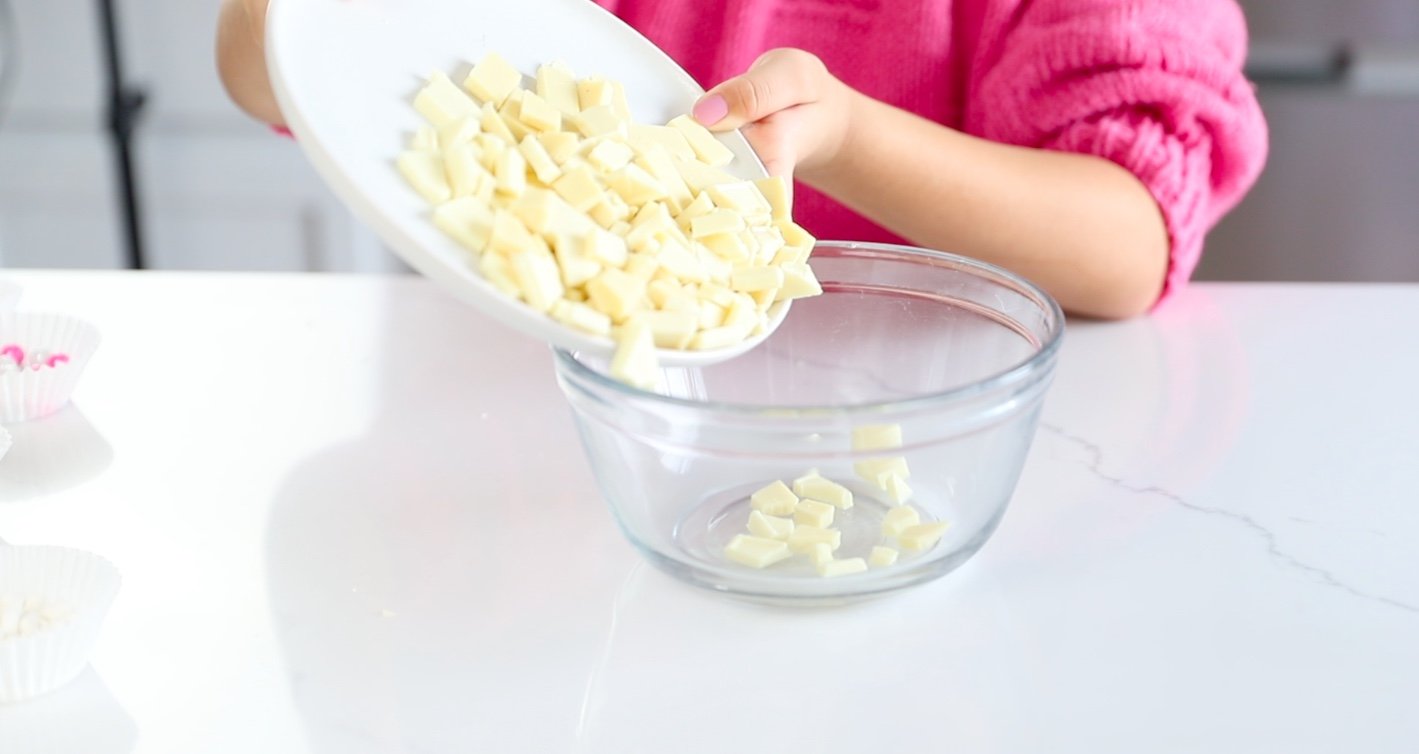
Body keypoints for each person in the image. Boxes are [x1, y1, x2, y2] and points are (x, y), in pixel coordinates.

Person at [216, 0, 1267, 319]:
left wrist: (847, 136)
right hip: (518, 428)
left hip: (912, 435)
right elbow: (258, 61)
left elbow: (1128, 242)